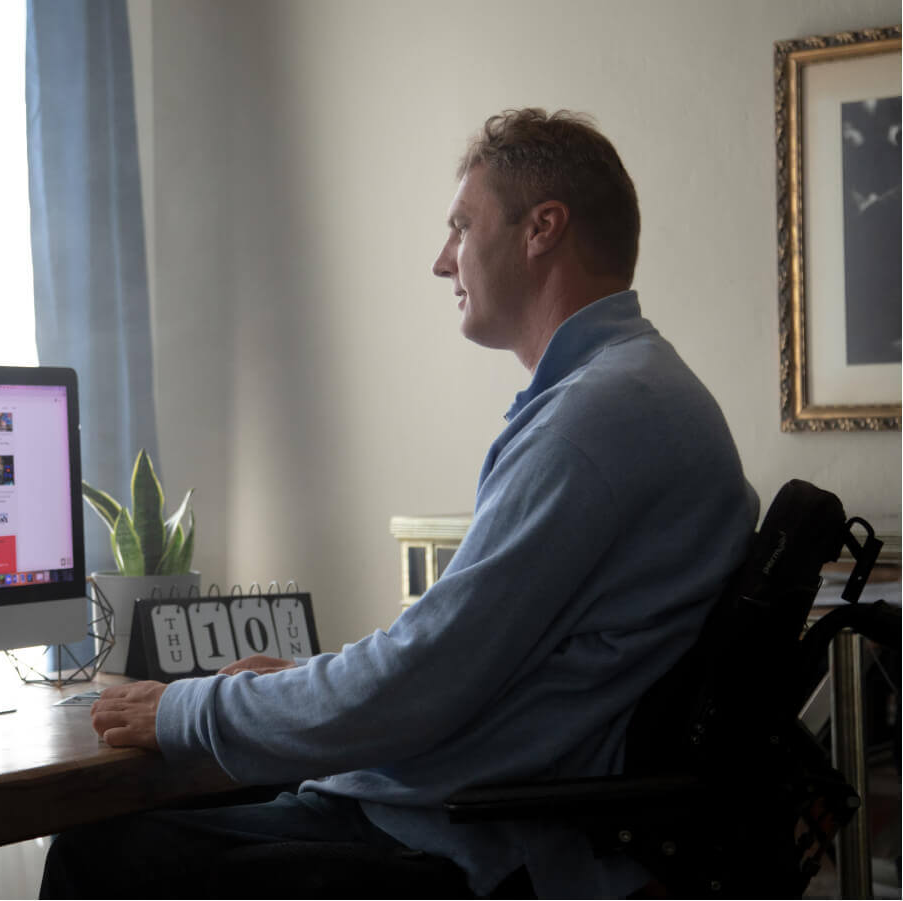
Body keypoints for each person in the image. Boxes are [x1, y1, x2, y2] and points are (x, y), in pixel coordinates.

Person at [40, 108, 758, 899]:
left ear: (541, 229)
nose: (441, 260)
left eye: (461, 225)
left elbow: (422, 679)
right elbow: (471, 661)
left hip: (475, 840)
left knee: (97, 854)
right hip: (487, 803)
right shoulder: (635, 389)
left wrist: (190, 707)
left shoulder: (595, 418)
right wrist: (298, 684)